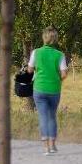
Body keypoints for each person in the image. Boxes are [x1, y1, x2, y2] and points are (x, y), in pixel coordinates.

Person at [28, 27, 68, 155]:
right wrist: (57, 79)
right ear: (55, 39)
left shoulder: (36, 52)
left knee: (43, 116)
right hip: (54, 89)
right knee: (52, 116)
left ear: (44, 38)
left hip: (39, 88)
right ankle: (52, 144)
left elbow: (30, 69)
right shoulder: (60, 55)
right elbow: (64, 74)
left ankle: (45, 147)